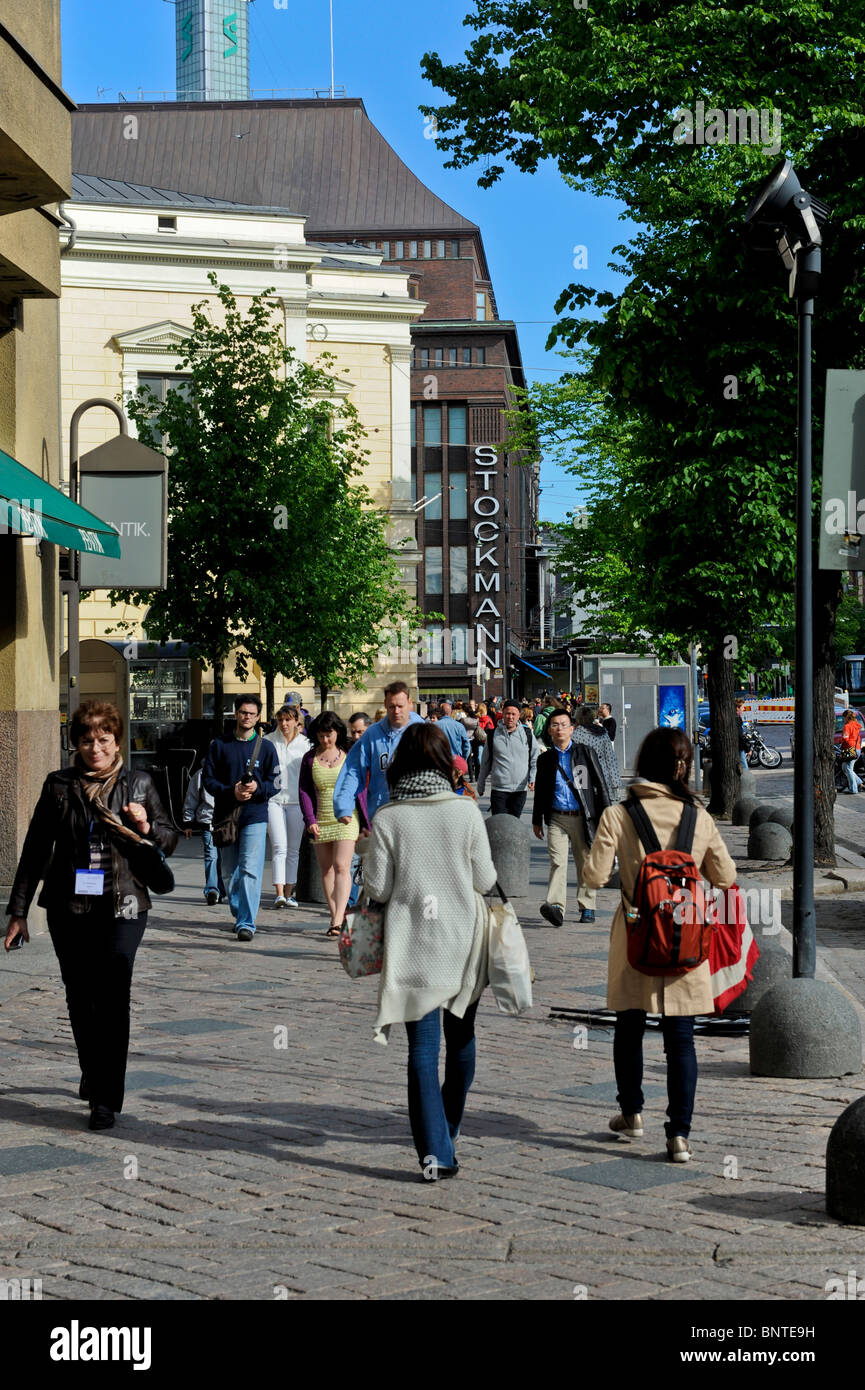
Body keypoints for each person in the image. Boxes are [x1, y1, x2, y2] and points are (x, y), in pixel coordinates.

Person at [4, 700, 176, 1131]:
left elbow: (170, 838)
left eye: (103, 739)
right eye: (86, 740)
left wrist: (147, 826)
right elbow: (36, 849)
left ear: (116, 740)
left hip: (125, 905)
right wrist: (19, 911)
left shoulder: (138, 784)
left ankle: (105, 1099)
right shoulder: (60, 786)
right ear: (75, 743)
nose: (95, 748)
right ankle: (92, 1070)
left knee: (113, 994)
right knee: (81, 997)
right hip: (70, 906)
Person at [581, 727, 737, 1163]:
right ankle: (679, 1136)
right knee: (681, 1040)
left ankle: (631, 1113)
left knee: (629, 1028)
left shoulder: (619, 814)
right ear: (683, 766)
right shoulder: (698, 816)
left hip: (636, 933)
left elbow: (594, 877)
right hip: (686, 937)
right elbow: (726, 877)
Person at [363, 724, 498, 1179]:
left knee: (422, 1048)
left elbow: (378, 887)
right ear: (445, 761)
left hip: (413, 944)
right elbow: (484, 880)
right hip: (463, 940)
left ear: (400, 763)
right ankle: (449, 1125)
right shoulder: (465, 812)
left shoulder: (388, 818)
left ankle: (435, 1151)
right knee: (461, 1037)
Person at [203, 694, 278, 943]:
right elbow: (208, 781)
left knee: (250, 869)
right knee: (229, 872)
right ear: (235, 714)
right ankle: (239, 911)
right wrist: (230, 791)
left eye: (252, 713)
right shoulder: (219, 745)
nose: (247, 717)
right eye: (243, 712)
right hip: (226, 816)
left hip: (255, 815)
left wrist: (258, 788)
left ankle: (247, 921)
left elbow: (275, 783)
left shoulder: (266, 748)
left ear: (258, 717)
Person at [532, 709, 610, 926]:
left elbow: (600, 785)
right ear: (549, 730)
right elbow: (540, 792)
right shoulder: (545, 759)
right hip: (557, 816)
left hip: (583, 817)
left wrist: (607, 816)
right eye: (555, 725)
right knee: (557, 862)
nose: (559, 729)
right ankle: (556, 906)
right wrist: (537, 819)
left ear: (572, 728)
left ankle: (587, 906)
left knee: (584, 862)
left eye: (563, 724)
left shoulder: (585, 753)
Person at [299, 711, 370, 936]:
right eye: (321, 736)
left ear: (337, 732)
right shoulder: (309, 758)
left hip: (347, 817)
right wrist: (310, 819)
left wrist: (366, 819)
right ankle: (334, 914)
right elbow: (304, 791)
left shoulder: (349, 753)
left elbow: (361, 786)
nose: (325, 740)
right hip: (321, 818)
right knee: (326, 870)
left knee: (342, 866)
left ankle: (339, 919)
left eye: (329, 735)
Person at [333, 680, 424, 825]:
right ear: (385, 704)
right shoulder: (372, 734)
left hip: (416, 812)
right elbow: (353, 769)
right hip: (382, 812)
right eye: (391, 706)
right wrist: (343, 804)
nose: (396, 711)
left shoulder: (423, 732)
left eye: (400, 706)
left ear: (410, 703)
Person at [265, 704, 312, 908]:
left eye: (288, 720)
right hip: (274, 800)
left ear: (296, 722)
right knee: (279, 846)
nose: (284, 724)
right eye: (281, 720)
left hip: (296, 801)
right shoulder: (268, 742)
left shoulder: (306, 744)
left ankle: (289, 892)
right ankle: (278, 893)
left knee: (293, 849)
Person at [477, 699, 540, 817]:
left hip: (520, 790)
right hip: (499, 789)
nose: (510, 717)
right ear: (502, 713)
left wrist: (532, 777)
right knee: (500, 825)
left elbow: (534, 758)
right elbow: (485, 762)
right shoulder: (493, 735)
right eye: (507, 713)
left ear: (518, 715)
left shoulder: (527, 734)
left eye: (513, 714)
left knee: (514, 825)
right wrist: (481, 784)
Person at [182, 765, 225, 906]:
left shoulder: (231, 768)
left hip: (227, 822)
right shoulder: (201, 774)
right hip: (209, 822)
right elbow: (192, 797)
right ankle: (213, 890)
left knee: (223, 858)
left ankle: (221, 889)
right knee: (213, 857)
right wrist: (188, 822)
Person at [346, 712, 371, 908]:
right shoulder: (348, 753)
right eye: (353, 732)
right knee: (353, 862)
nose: (356, 737)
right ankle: (350, 903)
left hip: (375, 813)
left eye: (360, 732)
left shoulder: (378, 750)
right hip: (355, 815)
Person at [573, 704, 622, 802]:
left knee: (585, 806)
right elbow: (610, 758)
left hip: (582, 775)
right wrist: (615, 782)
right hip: (602, 774)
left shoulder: (574, 734)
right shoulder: (603, 732)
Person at [840, 709, 863, 794]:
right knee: (845, 767)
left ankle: (853, 789)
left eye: (844, 718)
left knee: (848, 768)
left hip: (849, 749)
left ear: (847, 717)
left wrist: (840, 740)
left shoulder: (847, 726)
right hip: (857, 749)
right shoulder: (856, 725)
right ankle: (859, 783)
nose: (843, 719)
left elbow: (845, 739)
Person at [735, 699, 750, 771]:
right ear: (737, 708)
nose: (744, 709)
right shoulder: (737, 718)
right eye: (742, 707)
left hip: (737, 747)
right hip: (739, 747)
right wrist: (747, 749)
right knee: (745, 768)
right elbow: (740, 736)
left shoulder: (735, 717)